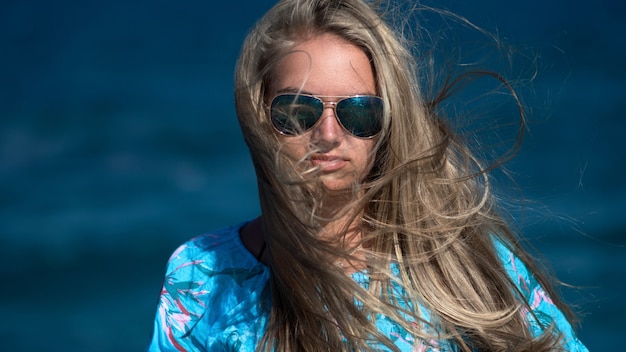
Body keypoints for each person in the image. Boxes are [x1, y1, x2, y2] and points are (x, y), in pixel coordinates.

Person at [147, 0, 588, 351]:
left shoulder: (462, 261)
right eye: (297, 112)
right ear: (259, 117)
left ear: (389, 122)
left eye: (359, 112)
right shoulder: (202, 274)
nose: (328, 134)